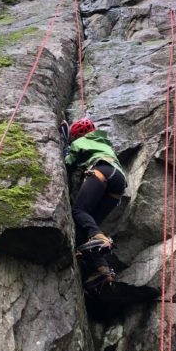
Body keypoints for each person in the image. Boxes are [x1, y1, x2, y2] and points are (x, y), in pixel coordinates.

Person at [62, 117, 128, 294]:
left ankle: (99, 239)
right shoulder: (105, 143)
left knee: (78, 210)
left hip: (102, 171)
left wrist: (66, 149)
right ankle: (102, 270)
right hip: (118, 181)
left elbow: (68, 161)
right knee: (87, 225)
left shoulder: (81, 141)